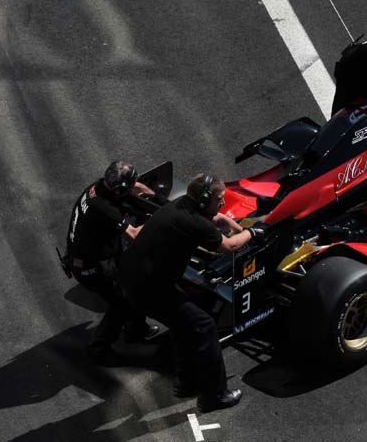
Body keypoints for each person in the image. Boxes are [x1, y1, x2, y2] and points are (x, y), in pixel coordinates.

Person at [118, 173, 263, 412]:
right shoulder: (195, 222)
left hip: (135, 278)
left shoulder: (182, 206)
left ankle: (186, 383)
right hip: (148, 289)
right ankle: (213, 396)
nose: (223, 203)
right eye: (219, 198)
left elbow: (218, 220)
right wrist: (253, 233)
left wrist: (237, 227)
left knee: (185, 326)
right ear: (205, 199)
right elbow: (229, 247)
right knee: (204, 326)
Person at [65, 160, 159, 366]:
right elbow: (133, 234)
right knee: (121, 302)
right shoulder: (104, 208)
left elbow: (134, 186)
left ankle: (136, 329)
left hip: (95, 253)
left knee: (131, 284)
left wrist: (153, 196)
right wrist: (161, 217)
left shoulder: (100, 186)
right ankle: (99, 349)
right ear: (119, 189)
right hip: (90, 266)